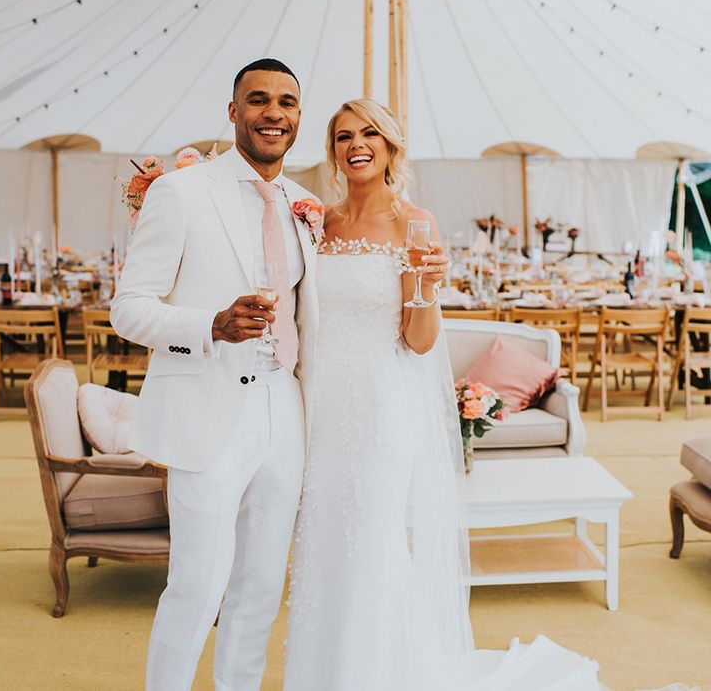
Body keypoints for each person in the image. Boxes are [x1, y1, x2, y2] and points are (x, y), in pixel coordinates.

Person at [283, 98, 604, 690]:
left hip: (380, 404)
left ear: (390, 147)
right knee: (322, 537)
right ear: (331, 150)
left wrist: (428, 288)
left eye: (370, 133)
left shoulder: (416, 222)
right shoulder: (315, 223)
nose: (356, 143)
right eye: (344, 135)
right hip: (320, 403)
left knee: (371, 536)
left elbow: (421, 342)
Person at [111, 58, 320, 691]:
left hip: (285, 411)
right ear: (233, 113)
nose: (272, 113)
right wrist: (211, 326)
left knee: (259, 589)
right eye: (258, 100)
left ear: (298, 118)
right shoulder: (183, 191)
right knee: (198, 584)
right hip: (207, 409)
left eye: (285, 102)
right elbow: (128, 309)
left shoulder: (305, 204)